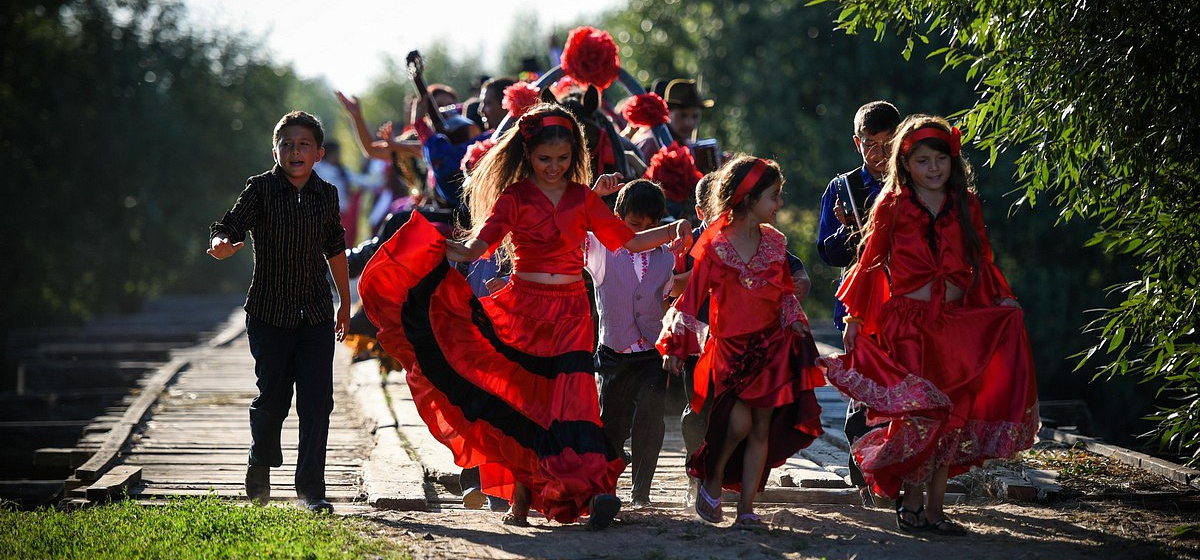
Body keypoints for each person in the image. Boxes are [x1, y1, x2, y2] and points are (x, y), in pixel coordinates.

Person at [357, 103, 692, 529]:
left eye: (563, 159)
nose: (554, 167)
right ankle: (520, 503)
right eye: (544, 159)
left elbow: (626, 241)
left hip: (572, 312)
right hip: (524, 308)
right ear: (527, 155)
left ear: (576, 156)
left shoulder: (584, 198)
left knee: (573, 403)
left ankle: (591, 491)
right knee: (527, 405)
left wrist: (673, 230)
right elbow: (481, 245)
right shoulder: (515, 197)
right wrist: (452, 250)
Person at [821, 115, 1039, 536]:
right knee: (923, 416)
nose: (934, 168)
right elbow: (869, 263)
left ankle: (935, 511)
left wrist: (1001, 300)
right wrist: (854, 317)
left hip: (957, 328)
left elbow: (983, 261)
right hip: (909, 328)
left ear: (952, 161)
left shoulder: (966, 204)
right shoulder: (893, 204)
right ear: (906, 163)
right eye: (923, 160)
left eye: (941, 158)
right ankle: (911, 503)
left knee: (953, 420)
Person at [658, 156, 824, 529]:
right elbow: (691, 296)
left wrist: (795, 320)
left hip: (770, 350)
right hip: (730, 353)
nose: (779, 204)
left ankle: (747, 508)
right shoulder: (715, 246)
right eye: (774, 196)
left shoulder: (776, 243)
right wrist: (675, 343)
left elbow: (783, 294)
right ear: (749, 199)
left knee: (761, 427)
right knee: (736, 425)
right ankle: (713, 479)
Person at [207, 111, 350, 514]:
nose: (295, 151)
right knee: (272, 399)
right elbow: (230, 225)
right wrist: (221, 243)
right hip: (269, 313)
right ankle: (259, 461)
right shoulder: (261, 190)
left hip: (317, 313)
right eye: (287, 144)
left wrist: (345, 302)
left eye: (304, 144)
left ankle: (311, 490)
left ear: (318, 153)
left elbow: (335, 247)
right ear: (275, 150)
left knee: (317, 401)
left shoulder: (327, 194)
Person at [815, 100, 901, 506]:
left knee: (903, 391)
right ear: (857, 143)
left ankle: (893, 476)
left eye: (888, 144)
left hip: (906, 305)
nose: (879, 155)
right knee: (863, 394)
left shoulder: (914, 180)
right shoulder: (842, 187)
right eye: (871, 144)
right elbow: (827, 253)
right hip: (858, 307)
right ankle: (865, 476)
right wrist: (848, 231)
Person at [583, 179, 676, 509]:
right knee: (612, 423)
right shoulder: (600, 251)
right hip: (614, 353)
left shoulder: (666, 258)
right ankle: (603, 489)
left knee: (651, 417)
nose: (643, 234)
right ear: (617, 217)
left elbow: (664, 296)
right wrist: (593, 195)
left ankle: (642, 492)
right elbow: (574, 225)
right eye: (635, 225)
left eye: (651, 227)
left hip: (651, 352)